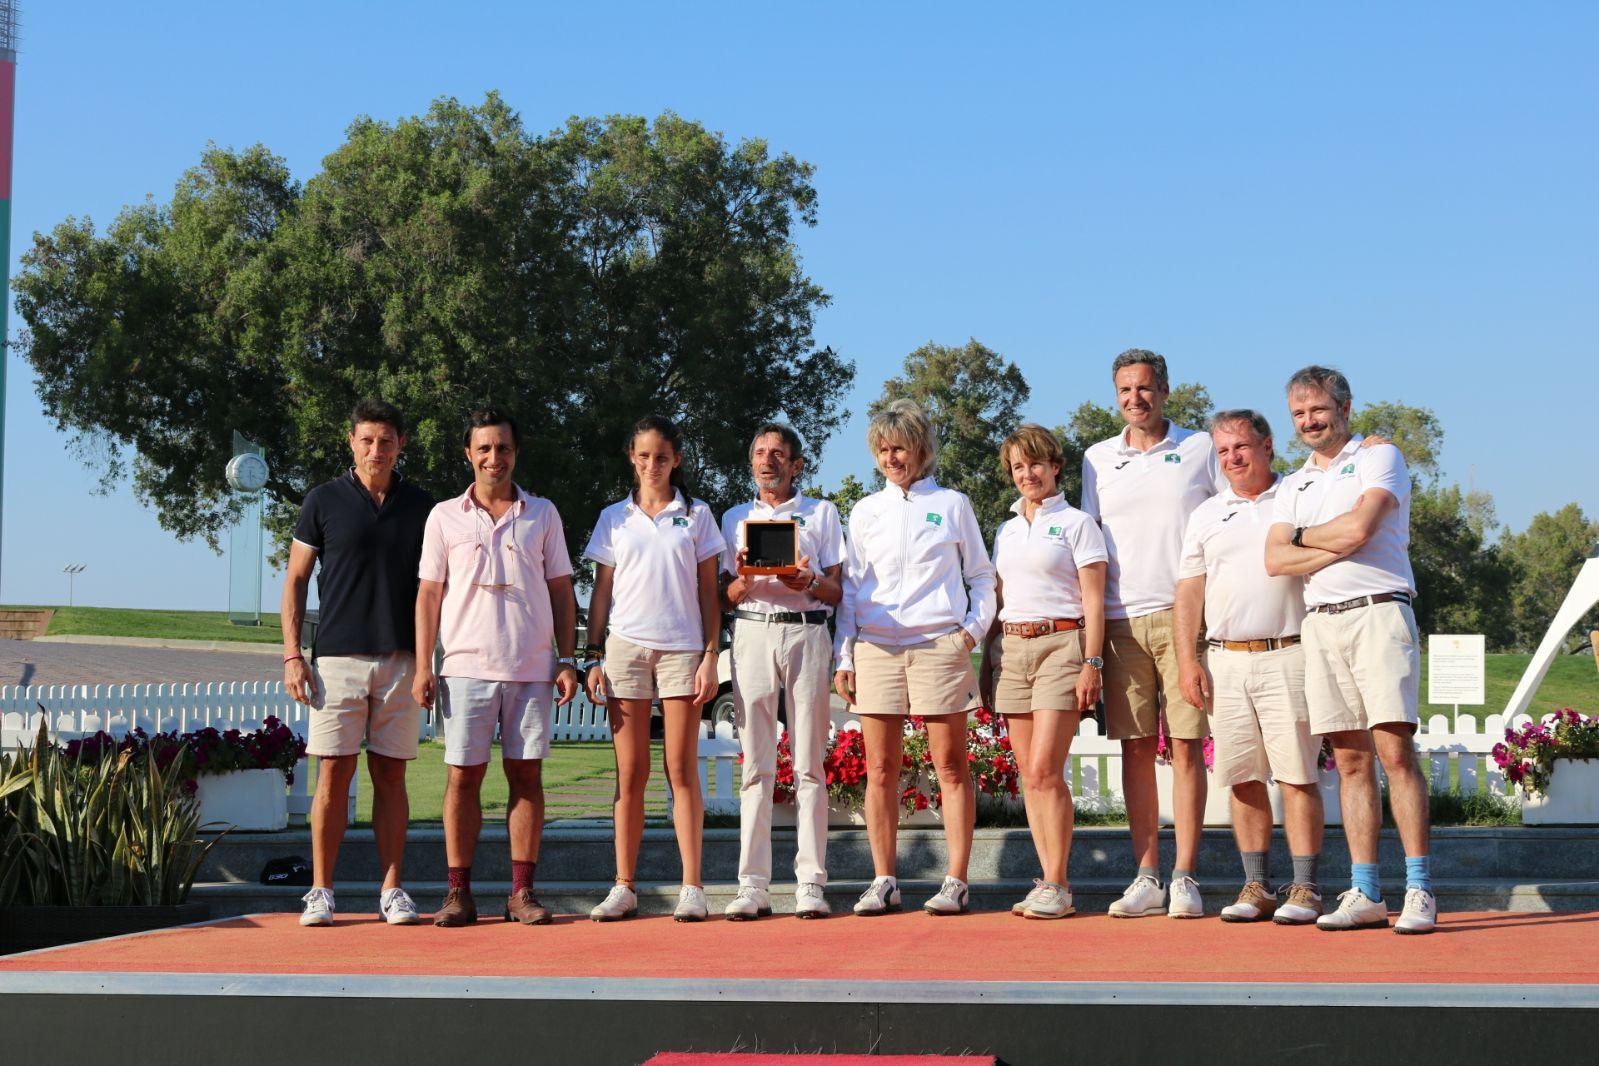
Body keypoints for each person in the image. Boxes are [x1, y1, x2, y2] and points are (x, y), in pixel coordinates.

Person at [1266, 366, 1436, 934]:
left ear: (1343, 406)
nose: (1310, 421)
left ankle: (1419, 888)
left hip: (1378, 612)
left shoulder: (1378, 458)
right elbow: (1274, 560)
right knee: (1350, 760)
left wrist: (1302, 539)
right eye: (1299, 414)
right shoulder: (1292, 484)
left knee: (1394, 754)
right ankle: (1365, 890)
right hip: (1322, 624)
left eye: (1318, 409)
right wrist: (1325, 540)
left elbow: (1362, 527)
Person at [412, 408, 580, 927]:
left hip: (531, 667)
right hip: (464, 666)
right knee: (463, 777)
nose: (493, 457)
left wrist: (568, 658)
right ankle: (458, 893)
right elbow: (428, 595)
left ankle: (521, 893)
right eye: (483, 448)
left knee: (526, 776)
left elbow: (561, 591)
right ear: (468, 454)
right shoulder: (443, 515)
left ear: (515, 452)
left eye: (502, 448)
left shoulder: (543, 513)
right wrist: (425, 664)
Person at [834, 399, 996, 916]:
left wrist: (968, 634)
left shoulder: (952, 504)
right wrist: (846, 655)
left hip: (938, 647)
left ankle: (956, 880)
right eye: (882, 449)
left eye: (899, 447)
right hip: (876, 648)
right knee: (880, 769)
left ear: (920, 449)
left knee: (949, 766)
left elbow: (981, 577)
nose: (890, 458)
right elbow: (851, 589)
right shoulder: (864, 510)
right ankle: (885, 880)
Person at [281, 398, 435, 927]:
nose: (377, 449)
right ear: (351, 442)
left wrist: (427, 662)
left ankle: (392, 890)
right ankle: (321, 890)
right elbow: (297, 581)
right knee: (333, 776)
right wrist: (291, 655)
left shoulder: (424, 507)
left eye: (387, 440)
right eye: (367, 439)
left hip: (402, 660)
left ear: (401, 445)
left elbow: (435, 589)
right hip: (336, 660)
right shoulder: (322, 501)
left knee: (391, 777)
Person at [1080, 349, 1222, 918]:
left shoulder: (1201, 447)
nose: (1134, 399)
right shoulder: (1096, 459)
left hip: (1186, 618)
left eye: (1144, 388)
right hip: (1119, 622)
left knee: (1186, 747)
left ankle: (1185, 875)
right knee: (1136, 750)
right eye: (1124, 391)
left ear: (1165, 390)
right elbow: (1088, 546)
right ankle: (1147, 876)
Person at [1175, 410, 1326, 926]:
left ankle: (1305, 887)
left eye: (1241, 446)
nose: (1233, 458)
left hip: (1289, 651)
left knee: (1297, 775)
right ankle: (1256, 885)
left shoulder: (1296, 496)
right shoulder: (1206, 513)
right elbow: (1189, 591)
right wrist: (1186, 659)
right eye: (1222, 451)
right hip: (1225, 659)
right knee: (1242, 777)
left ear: (1266, 445)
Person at [583, 415, 725, 922]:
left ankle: (692, 886)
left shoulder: (699, 514)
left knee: (681, 769)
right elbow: (602, 591)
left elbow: (710, 592)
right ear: (632, 458)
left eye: (661, 457)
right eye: (643, 456)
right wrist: (593, 655)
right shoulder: (613, 517)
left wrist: (711, 655)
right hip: (625, 650)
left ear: (676, 460)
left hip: (684, 651)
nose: (652, 466)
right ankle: (624, 885)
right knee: (631, 772)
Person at [980, 424, 1107, 920]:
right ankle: (1046, 878)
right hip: (1013, 649)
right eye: (1017, 466)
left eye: (1035, 463)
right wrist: (988, 659)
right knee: (1028, 778)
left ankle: (1058, 883)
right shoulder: (1006, 529)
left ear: (1055, 466)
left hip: (1063, 645)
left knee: (1043, 770)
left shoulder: (1078, 523)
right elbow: (998, 599)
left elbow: (1094, 602)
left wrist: (1092, 663)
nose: (1027, 474)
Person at [720, 424, 845, 920]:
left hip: (807, 630)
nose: (767, 460)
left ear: (796, 465)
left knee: (810, 762)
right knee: (755, 764)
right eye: (759, 452)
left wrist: (808, 579)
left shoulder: (822, 513)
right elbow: (723, 595)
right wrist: (747, 582)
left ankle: (810, 882)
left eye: (778, 453)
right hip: (751, 631)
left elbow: (837, 591)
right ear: (751, 461)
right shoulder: (732, 517)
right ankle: (753, 884)